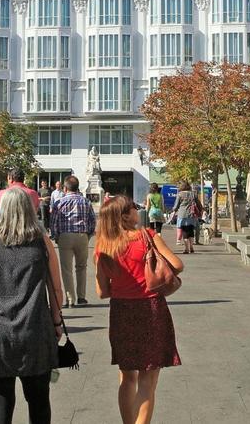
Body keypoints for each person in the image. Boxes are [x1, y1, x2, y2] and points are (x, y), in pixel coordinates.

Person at [0, 187, 61, 424]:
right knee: (39, 402)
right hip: (35, 330)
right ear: (30, 210)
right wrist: (57, 322)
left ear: (1, 211)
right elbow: (56, 289)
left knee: (0, 404)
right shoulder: (42, 244)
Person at [95, 196, 183, 424]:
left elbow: (102, 291)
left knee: (127, 376)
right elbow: (177, 265)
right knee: (148, 378)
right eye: (134, 207)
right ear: (125, 215)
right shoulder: (148, 236)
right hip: (150, 309)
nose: (138, 210)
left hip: (121, 312)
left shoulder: (103, 246)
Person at [50, 175, 95, 308]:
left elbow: (54, 222)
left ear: (65, 188)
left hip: (65, 236)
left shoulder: (60, 202)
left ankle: (70, 299)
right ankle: (81, 297)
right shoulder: (86, 201)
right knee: (81, 267)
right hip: (82, 236)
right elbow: (92, 220)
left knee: (66, 269)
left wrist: (56, 236)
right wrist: (88, 234)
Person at [171, 182, 199, 255]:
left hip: (182, 215)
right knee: (190, 231)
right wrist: (201, 210)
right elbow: (198, 204)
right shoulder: (193, 194)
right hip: (192, 214)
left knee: (184, 231)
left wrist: (173, 210)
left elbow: (176, 205)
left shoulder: (180, 194)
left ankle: (186, 248)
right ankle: (191, 247)